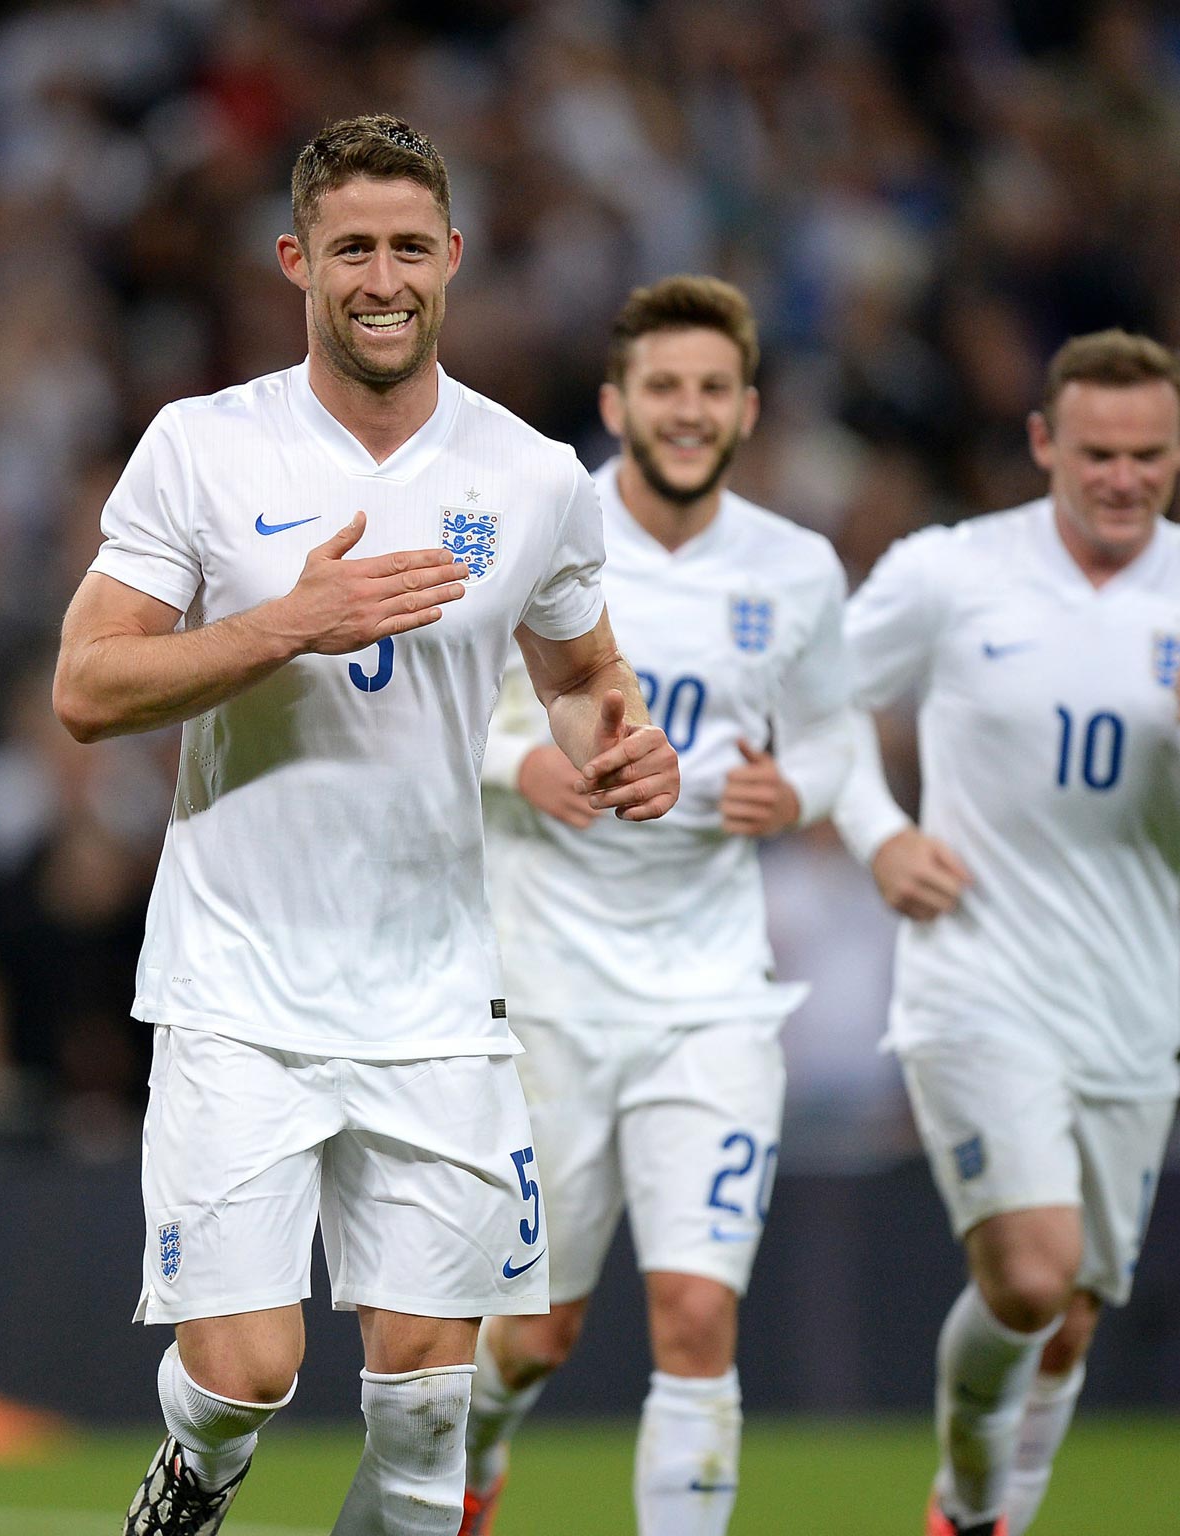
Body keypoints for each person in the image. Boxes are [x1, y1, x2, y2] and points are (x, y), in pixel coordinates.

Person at [52, 114, 681, 1536]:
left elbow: (583, 673)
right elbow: (86, 688)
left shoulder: (527, 477)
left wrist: (623, 746)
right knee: (247, 1372)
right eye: (351, 249)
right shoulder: (203, 449)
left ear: (453, 259)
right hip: (239, 988)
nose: (381, 277)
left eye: (409, 246)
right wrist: (289, 624)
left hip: (439, 991)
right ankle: (195, 1470)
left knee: (422, 1400)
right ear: (298, 263)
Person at [829, 330, 1180, 1536]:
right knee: (1031, 1271)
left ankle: (976, 1509)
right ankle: (974, 1504)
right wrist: (880, 833)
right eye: (1095, 452)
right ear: (1043, 443)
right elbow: (806, 701)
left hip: (1129, 1011)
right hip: (974, 983)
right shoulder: (949, 574)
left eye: (1146, 454)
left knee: (1069, 1315)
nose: (1120, 478)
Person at [461, 276, 852, 1536]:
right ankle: (473, 1465)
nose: (685, 412)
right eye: (662, 388)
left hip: (710, 999)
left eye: (709, 391)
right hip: (548, 996)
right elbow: (421, 707)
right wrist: (522, 764)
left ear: (745, 410)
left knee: (695, 1319)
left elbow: (838, 741)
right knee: (532, 1335)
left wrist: (790, 792)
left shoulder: (795, 569)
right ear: (613, 403)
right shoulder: (536, 526)